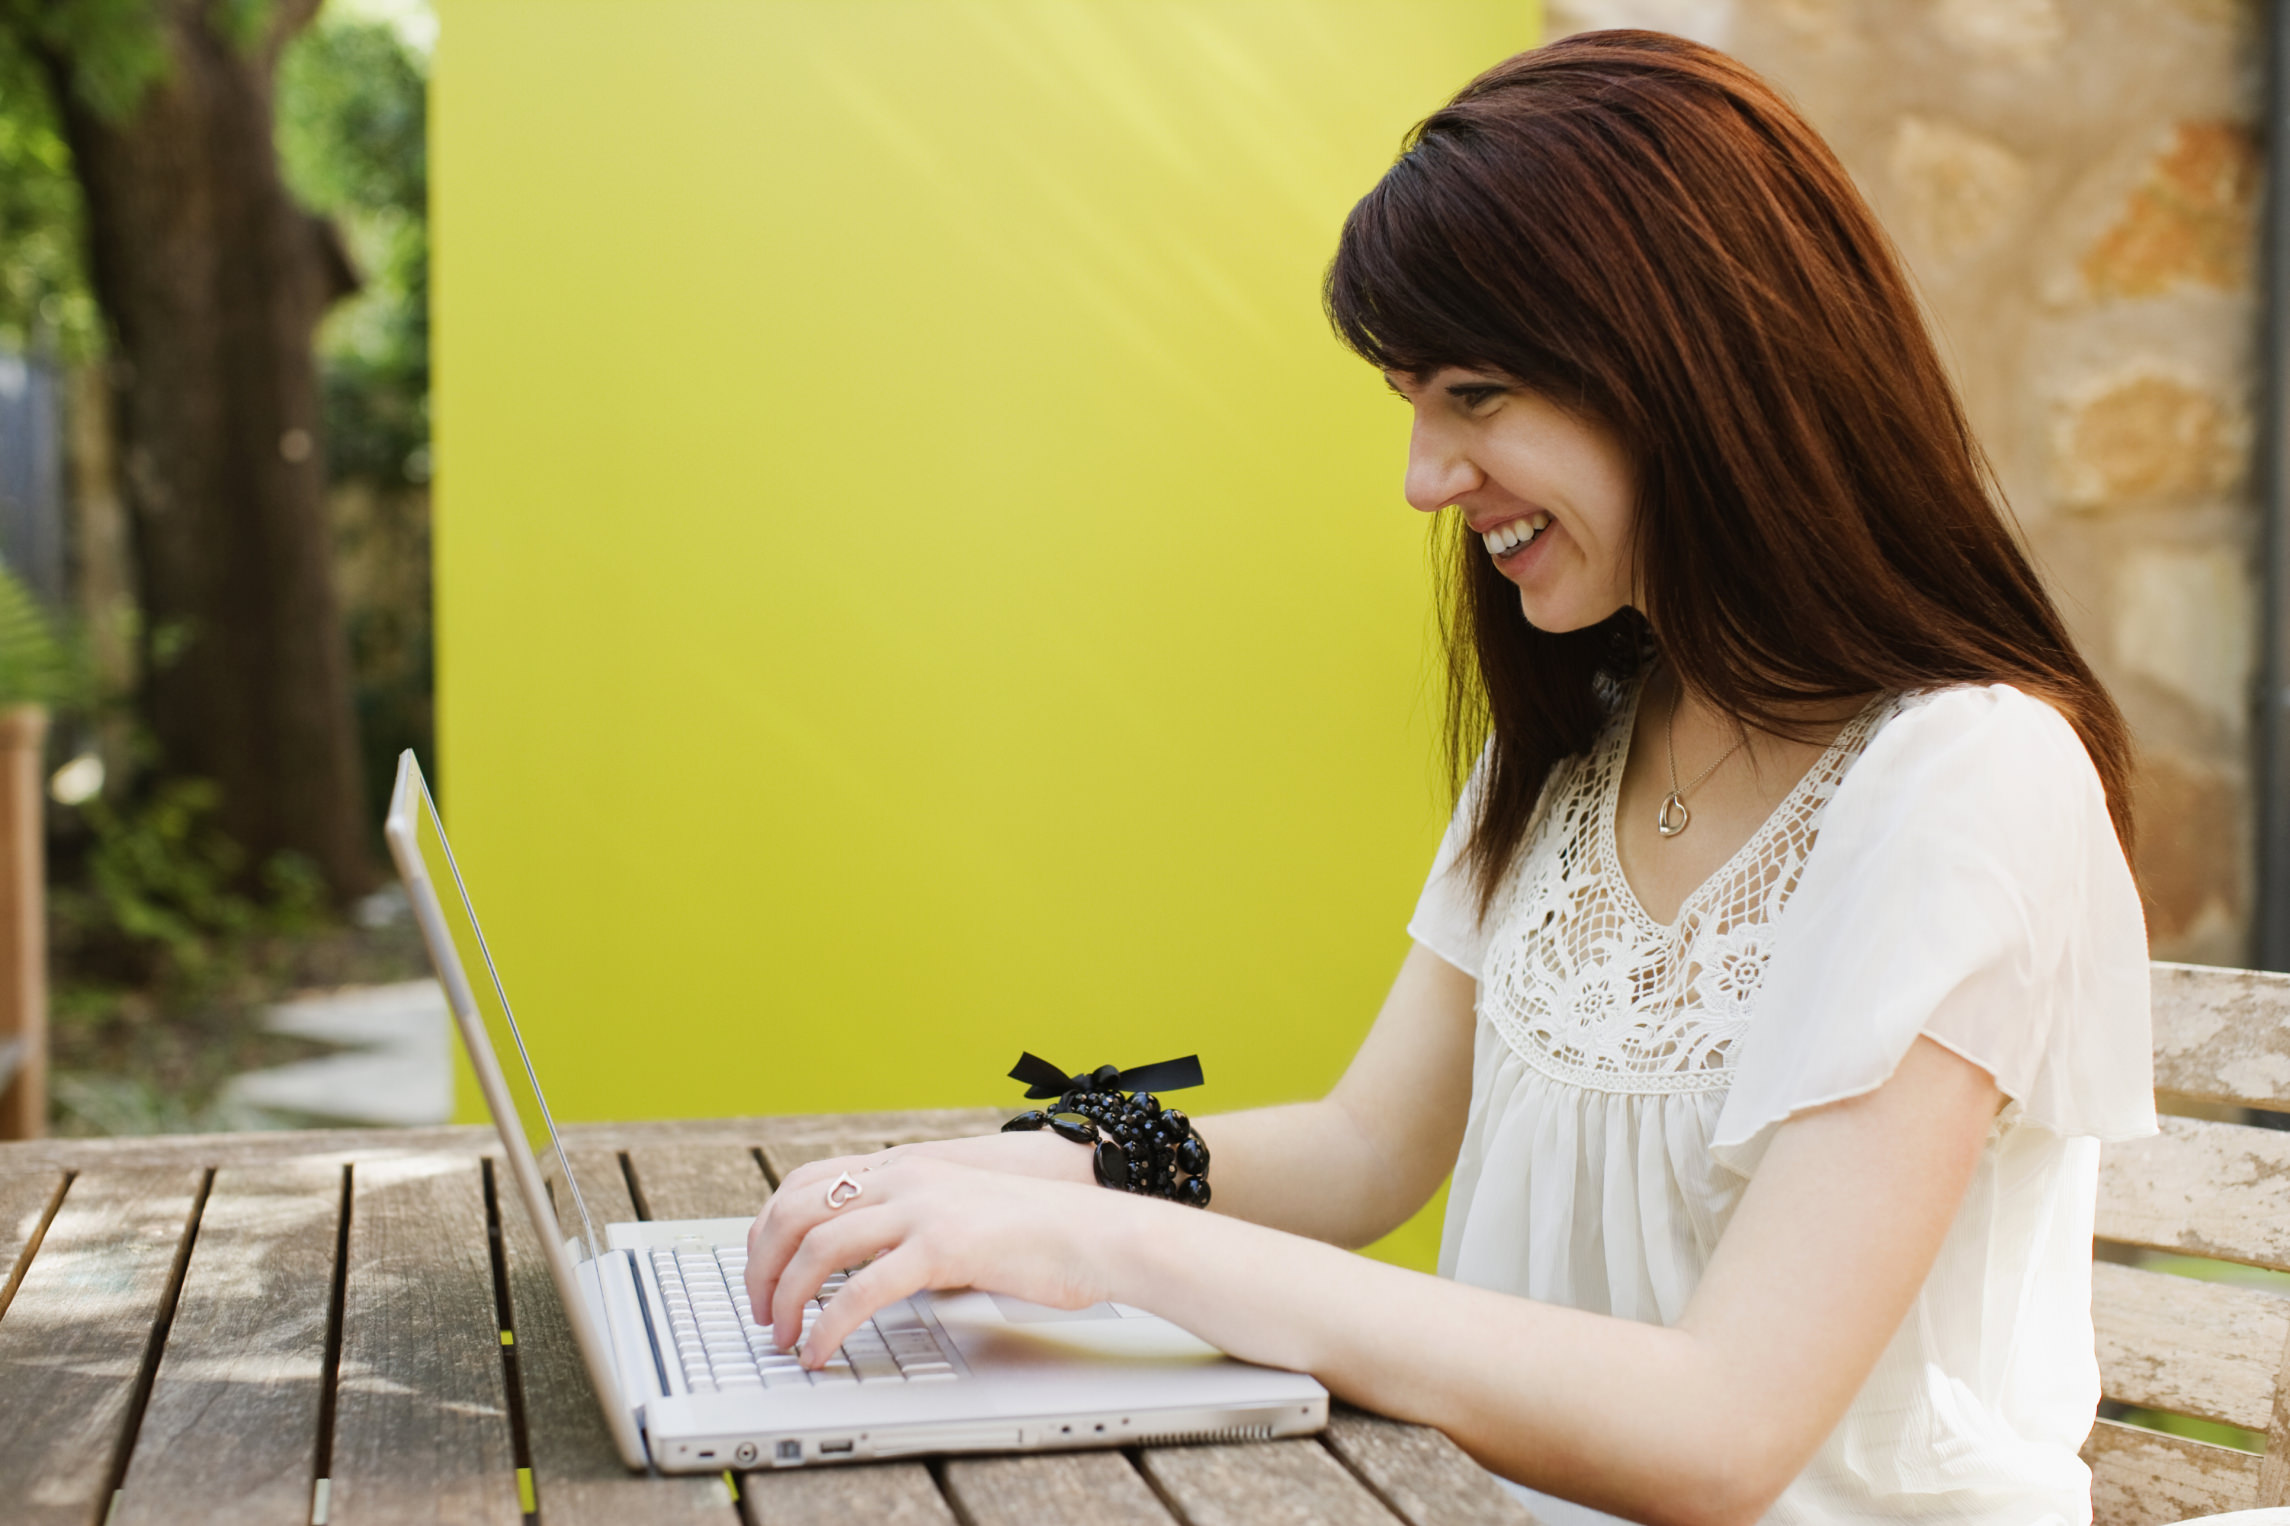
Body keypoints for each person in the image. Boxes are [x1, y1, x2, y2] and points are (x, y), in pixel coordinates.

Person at [743, 30, 2154, 1526]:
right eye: (1415, 400)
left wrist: (1117, 1250)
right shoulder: (1582, 733)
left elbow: (1723, 1425)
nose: (1424, 476)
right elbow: (1367, 1148)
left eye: (1477, 395)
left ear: (1693, 371)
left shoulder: (1967, 777)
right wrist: (988, 1182)